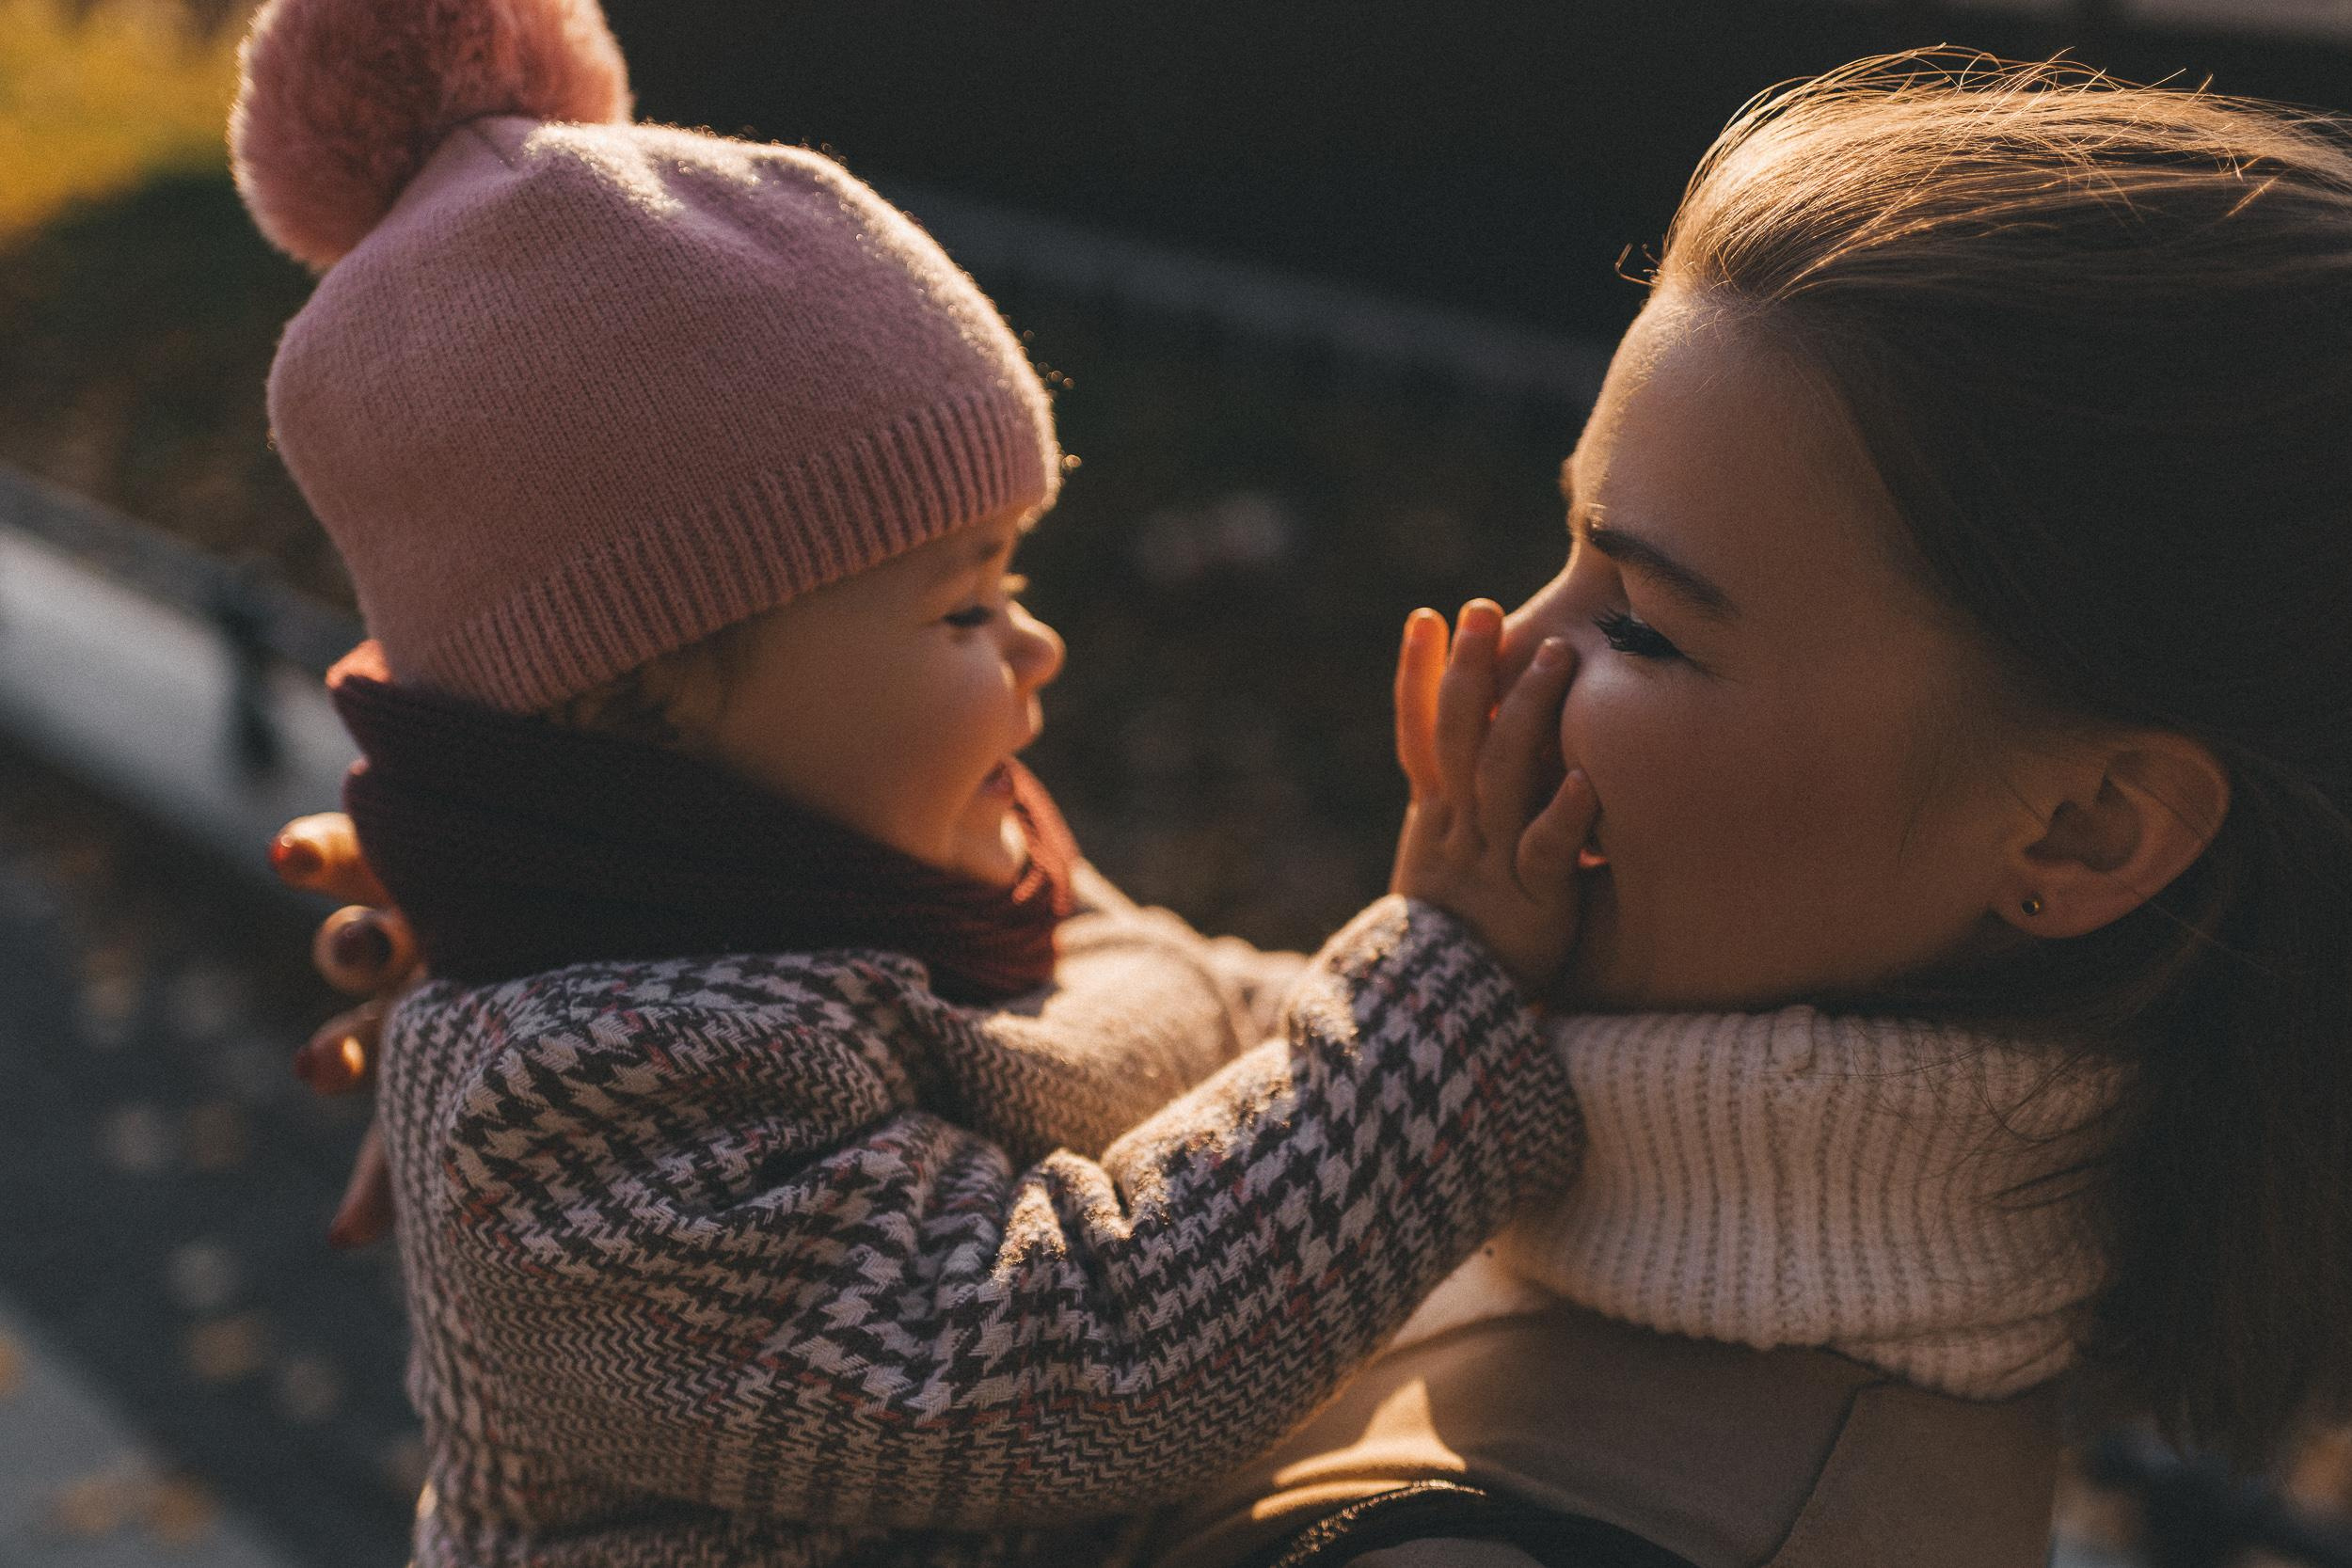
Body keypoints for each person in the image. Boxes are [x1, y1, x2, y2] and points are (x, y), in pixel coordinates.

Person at [276, 38, 2352, 1568]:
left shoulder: (1592, 1479)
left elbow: (1133, 1153)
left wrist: (1421, 1000)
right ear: (640, 726)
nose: (1509, 657)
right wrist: (594, 937)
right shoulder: (1623, 1219)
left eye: (1646, 625)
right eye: (1566, 550)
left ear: (2080, 833)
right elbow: (1143, 1143)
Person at [229, 0, 1591, 1564]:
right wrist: (1438, 1017)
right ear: (643, 703)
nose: (1039, 647)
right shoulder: (568, 1113)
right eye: (963, 608)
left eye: (1015, 581)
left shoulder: (919, 858)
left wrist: (1503, 984)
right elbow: (1057, 1356)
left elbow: (1199, 1007)